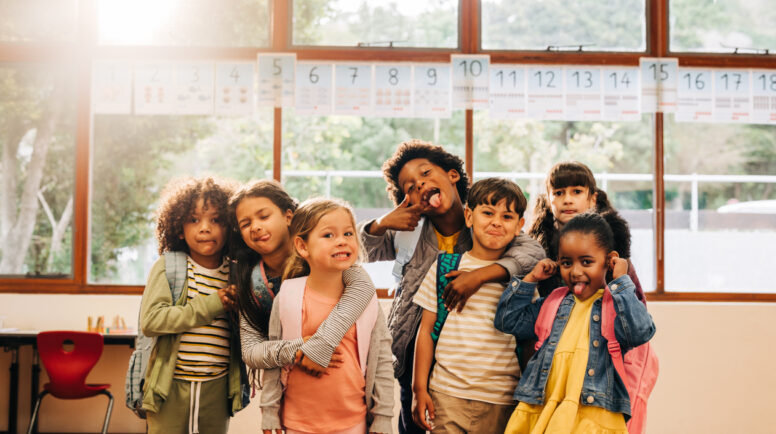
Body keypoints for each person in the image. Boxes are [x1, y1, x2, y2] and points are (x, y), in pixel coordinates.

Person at [359, 139, 545, 434]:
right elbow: (364, 250)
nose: (419, 185)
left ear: (452, 175)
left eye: (425, 174)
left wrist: (481, 275)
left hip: (476, 366)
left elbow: (532, 254)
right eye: (409, 186)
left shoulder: (487, 223)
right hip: (415, 357)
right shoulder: (409, 232)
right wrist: (382, 223)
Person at [495, 212, 656, 433]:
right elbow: (507, 320)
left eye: (587, 262)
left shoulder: (614, 307)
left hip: (593, 417)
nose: (576, 271)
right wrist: (530, 279)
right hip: (544, 411)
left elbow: (641, 331)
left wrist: (621, 281)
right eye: (566, 263)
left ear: (609, 261)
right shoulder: (552, 303)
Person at [412, 178, 540, 433]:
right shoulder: (445, 268)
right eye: (488, 213)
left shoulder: (523, 280)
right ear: (469, 217)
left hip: (503, 399)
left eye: (506, 216)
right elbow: (425, 331)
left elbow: (529, 341)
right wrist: (419, 389)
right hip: (446, 395)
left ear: (519, 226)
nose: (496, 222)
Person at [261, 198, 394, 434]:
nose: (342, 241)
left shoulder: (366, 299)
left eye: (348, 233)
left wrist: (383, 417)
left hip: (353, 422)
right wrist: (269, 412)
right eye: (328, 235)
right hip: (297, 423)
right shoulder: (288, 296)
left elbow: (382, 360)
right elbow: (274, 359)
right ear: (303, 247)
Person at [231, 180, 376, 378]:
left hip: (347, 382)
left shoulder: (322, 258)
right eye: (245, 224)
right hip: (291, 390)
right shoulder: (250, 280)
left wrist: (321, 344)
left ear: (288, 216)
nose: (255, 227)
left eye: (264, 216)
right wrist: (303, 348)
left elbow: (362, 284)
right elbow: (251, 352)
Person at [139, 176, 243, 434]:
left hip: (218, 388)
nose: (205, 228)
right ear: (178, 228)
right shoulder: (169, 267)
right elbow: (151, 321)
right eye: (194, 220)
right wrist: (213, 304)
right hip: (170, 386)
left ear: (230, 226)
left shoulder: (236, 273)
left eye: (216, 219)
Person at [528, 161, 644, 299]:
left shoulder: (616, 252)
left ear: (593, 199)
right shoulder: (534, 251)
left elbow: (637, 308)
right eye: (559, 193)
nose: (567, 200)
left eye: (577, 192)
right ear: (548, 200)